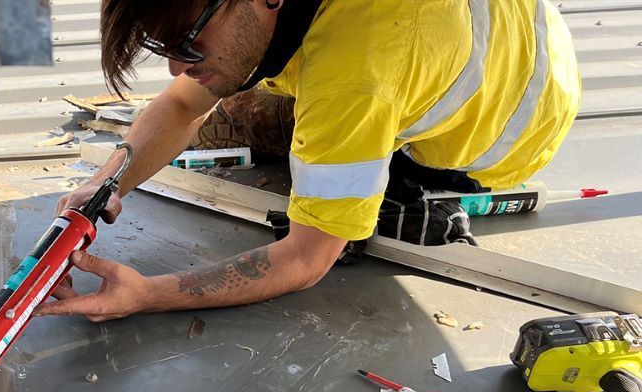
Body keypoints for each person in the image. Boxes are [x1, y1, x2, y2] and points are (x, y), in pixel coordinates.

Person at [36, 0, 580, 323]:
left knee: (298, 147)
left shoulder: (354, 77)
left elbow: (305, 257)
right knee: (222, 94)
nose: (178, 63)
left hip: (503, 131)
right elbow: (182, 104)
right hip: (512, 38)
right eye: (165, 46)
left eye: (190, 40)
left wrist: (147, 294)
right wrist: (106, 183)